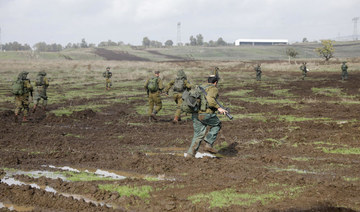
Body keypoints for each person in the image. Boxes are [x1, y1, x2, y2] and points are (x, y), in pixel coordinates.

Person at [186, 74, 228, 157]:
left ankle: (190, 155)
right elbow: (210, 100)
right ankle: (208, 144)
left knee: (198, 134)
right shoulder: (213, 88)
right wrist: (219, 108)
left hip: (195, 114)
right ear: (215, 82)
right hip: (206, 114)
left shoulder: (200, 86)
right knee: (217, 124)